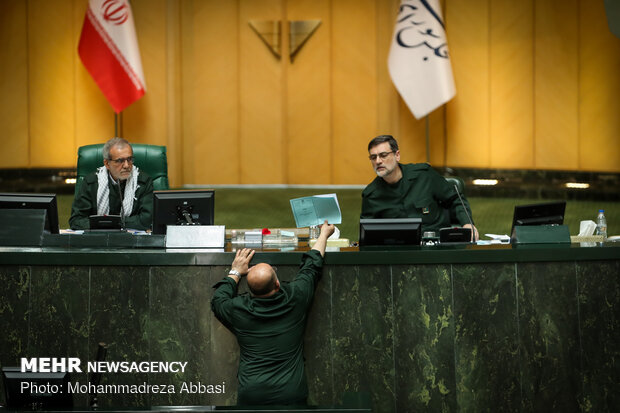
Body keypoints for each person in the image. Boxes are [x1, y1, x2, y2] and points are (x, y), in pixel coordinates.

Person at [211, 221, 335, 406]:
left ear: (250, 289)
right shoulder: (297, 297)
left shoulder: (237, 310)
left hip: (252, 393)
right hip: (291, 392)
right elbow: (311, 265)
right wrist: (323, 234)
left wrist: (235, 271)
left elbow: (218, 299)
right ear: (277, 284)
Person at [361, 135, 478, 240]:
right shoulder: (371, 195)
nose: (378, 161)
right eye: (373, 157)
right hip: (398, 251)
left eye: (383, 155)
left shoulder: (424, 175)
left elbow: (455, 199)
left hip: (436, 243)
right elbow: (366, 235)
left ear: (397, 155)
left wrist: (467, 223)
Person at [69, 137, 153, 230]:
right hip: (98, 240)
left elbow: (146, 220)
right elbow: (76, 220)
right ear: (107, 164)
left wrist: (106, 223)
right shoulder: (91, 182)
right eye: (120, 161)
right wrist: (118, 224)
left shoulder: (143, 182)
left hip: (131, 240)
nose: (126, 165)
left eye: (129, 159)